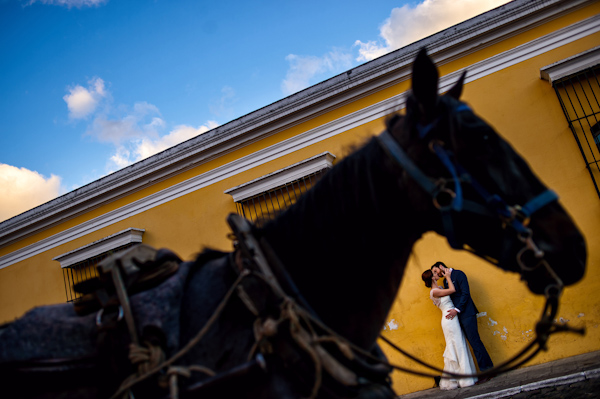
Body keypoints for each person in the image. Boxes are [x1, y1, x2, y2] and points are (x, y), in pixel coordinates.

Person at [430, 261, 494, 383]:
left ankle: (487, 371)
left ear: (441, 267)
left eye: (435, 271)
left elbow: (465, 293)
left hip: (467, 314)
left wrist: (457, 310)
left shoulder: (459, 274)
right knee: (471, 343)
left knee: (475, 342)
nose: (436, 274)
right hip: (457, 317)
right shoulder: (445, 281)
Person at [421, 268, 478, 390]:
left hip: (453, 317)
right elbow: (453, 290)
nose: (437, 274)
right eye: (435, 273)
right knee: (457, 345)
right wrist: (447, 276)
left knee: (459, 344)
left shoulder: (440, 288)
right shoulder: (434, 292)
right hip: (449, 320)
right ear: (432, 277)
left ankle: (465, 376)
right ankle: (464, 379)